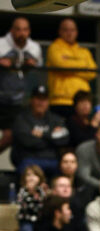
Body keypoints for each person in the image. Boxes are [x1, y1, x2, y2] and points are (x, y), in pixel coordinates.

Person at [0, 16, 43, 153]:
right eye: (18, 29)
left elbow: (40, 68)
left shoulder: (34, 47)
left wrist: (32, 65)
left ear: (29, 31)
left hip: (19, 99)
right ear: (12, 30)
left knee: (13, 136)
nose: (21, 33)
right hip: (2, 95)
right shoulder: (1, 44)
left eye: (25, 30)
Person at [11, 84, 69, 175]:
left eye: (44, 99)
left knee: (65, 170)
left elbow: (64, 139)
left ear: (48, 102)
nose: (41, 102)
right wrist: (52, 138)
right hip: (29, 159)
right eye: (38, 99)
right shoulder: (22, 118)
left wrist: (43, 135)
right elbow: (27, 141)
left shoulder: (55, 119)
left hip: (53, 160)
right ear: (31, 100)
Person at [46, 17, 97, 120]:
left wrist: (69, 65)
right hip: (60, 101)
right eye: (66, 30)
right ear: (60, 32)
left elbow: (92, 73)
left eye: (72, 30)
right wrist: (83, 64)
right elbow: (61, 66)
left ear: (76, 32)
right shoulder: (54, 48)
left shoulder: (84, 51)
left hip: (82, 103)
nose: (69, 33)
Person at [16, 164, 49, 231]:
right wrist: (31, 193)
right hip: (27, 221)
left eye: (35, 175)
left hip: (40, 221)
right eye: (28, 175)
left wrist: (44, 193)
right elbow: (23, 205)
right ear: (24, 178)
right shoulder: (23, 191)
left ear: (40, 178)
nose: (31, 177)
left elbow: (43, 205)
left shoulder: (42, 191)